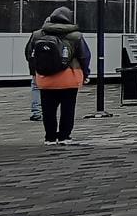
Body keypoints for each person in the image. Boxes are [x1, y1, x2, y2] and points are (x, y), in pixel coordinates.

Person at [24, 7, 91, 145]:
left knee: (48, 110)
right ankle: (64, 136)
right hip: (69, 78)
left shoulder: (37, 34)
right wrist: (85, 73)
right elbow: (84, 56)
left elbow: (29, 55)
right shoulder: (76, 36)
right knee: (68, 109)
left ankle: (50, 138)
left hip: (45, 79)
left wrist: (34, 73)